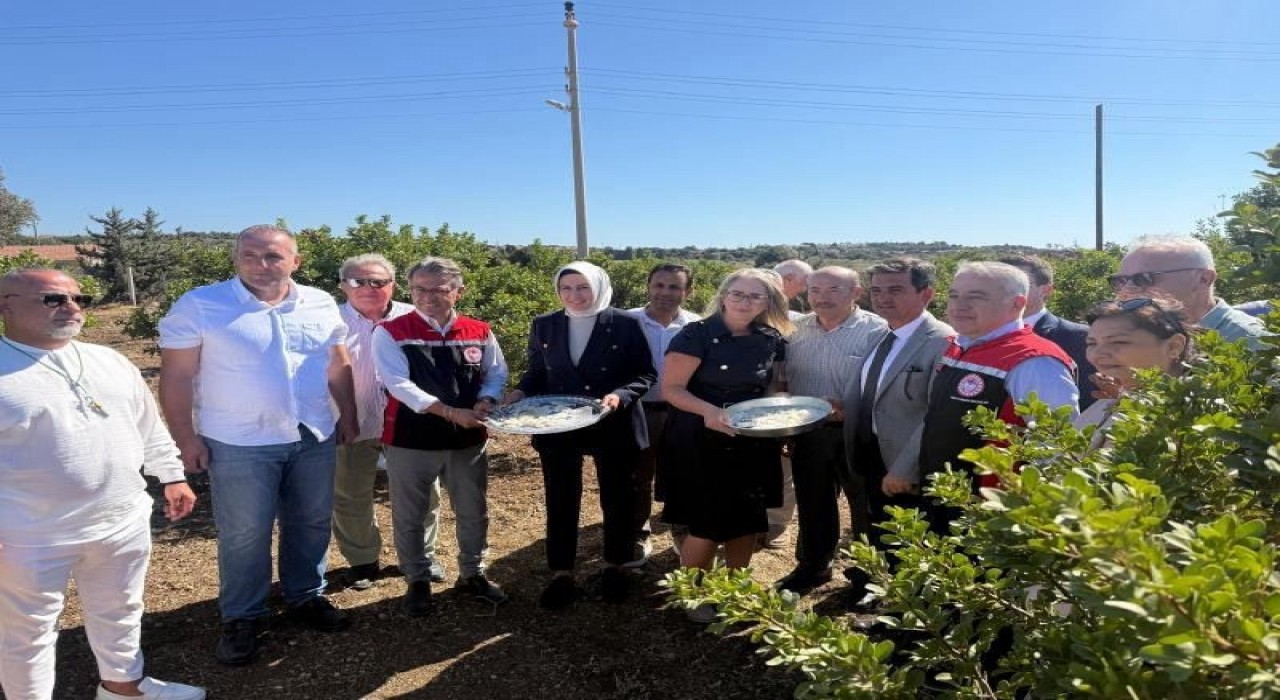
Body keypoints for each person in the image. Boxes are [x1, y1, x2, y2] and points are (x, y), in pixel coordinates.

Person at [158, 225, 358, 667]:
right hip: (240, 438)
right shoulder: (202, 304)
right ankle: (243, 616)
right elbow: (176, 374)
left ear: (295, 262)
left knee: (310, 520)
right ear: (236, 258)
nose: (260, 264)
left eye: (272, 256)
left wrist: (350, 415)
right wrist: (185, 438)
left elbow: (337, 362)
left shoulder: (320, 302)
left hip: (312, 432)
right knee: (245, 532)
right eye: (249, 255)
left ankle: (305, 595)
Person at [0, 268, 205, 700]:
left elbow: (146, 425)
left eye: (79, 299)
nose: (71, 308)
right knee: (28, 632)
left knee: (121, 610)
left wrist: (170, 475)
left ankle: (122, 688)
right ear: (6, 304)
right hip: (28, 533)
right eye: (53, 299)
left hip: (121, 518)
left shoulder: (108, 360)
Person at [505, 261, 656, 610]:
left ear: (599, 286)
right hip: (559, 426)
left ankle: (615, 567)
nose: (575, 295)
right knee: (560, 499)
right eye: (567, 288)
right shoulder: (545, 324)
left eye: (583, 287)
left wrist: (621, 395)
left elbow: (645, 373)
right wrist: (519, 393)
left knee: (617, 498)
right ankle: (561, 573)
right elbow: (537, 372)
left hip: (612, 422)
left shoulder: (624, 323)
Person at [373, 257, 510, 616]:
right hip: (410, 438)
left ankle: (472, 573)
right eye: (419, 289)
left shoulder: (478, 330)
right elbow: (398, 384)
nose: (427, 296)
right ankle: (417, 579)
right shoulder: (391, 332)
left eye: (438, 289)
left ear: (458, 291)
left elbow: (495, 371)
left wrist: (487, 398)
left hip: (468, 439)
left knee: (472, 510)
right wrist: (450, 412)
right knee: (410, 513)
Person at [660, 268, 793, 622]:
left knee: (747, 520)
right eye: (738, 294)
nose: (744, 302)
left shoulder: (771, 338)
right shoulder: (696, 335)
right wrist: (709, 411)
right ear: (723, 296)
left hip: (752, 442)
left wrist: (781, 421)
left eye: (755, 296)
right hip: (701, 438)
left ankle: (736, 590)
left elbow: (775, 388)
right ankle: (690, 593)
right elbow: (672, 389)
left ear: (768, 302)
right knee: (707, 522)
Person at [920, 262, 1078, 533]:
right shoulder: (958, 347)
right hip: (948, 499)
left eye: (976, 296)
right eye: (955, 295)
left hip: (993, 514)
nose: (959, 305)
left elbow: (1057, 450)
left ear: (1017, 304)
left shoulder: (1035, 362)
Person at [333, 253, 441, 591]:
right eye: (358, 281)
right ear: (342, 286)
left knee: (423, 494)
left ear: (393, 286)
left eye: (378, 281)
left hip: (410, 426)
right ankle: (363, 560)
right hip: (352, 423)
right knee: (349, 494)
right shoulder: (328, 322)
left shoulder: (417, 318)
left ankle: (421, 556)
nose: (368, 287)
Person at [776, 266, 886, 593]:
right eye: (814, 290)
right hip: (808, 432)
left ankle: (870, 577)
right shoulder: (794, 329)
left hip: (858, 432)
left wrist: (850, 407)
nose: (821, 298)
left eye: (833, 290)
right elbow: (782, 377)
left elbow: (886, 385)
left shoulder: (877, 331)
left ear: (856, 293)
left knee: (865, 505)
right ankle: (813, 565)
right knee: (813, 501)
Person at [842, 258, 952, 561]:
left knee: (909, 537)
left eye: (895, 290)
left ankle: (903, 602)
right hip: (870, 451)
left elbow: (936, 415)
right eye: (877, 291)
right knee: (877, 526)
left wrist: (905, 467)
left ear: (926, 294)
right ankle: (872, 585)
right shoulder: (881, 334)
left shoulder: (943, 341)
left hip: (905, 463)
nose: (883, 298)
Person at [627, 263, 701, 563]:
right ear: (648, 286)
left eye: (674, 287)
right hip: (637, 411)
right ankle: (637, 534)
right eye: (659, 285)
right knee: (638, 476)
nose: (665, 293)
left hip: (681, 412)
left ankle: (682, 532)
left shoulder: (697, 325)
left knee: (683, 475)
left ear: (688, 291)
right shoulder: (625, 321)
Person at [1112, 235, 1267, 348]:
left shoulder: (1253, 341)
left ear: (1204, 279)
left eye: (1144, 278)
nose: (1127, 289)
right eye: (1122, 280)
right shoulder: (1139, 335)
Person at [1076, 297, 1192, 435]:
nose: (1098, 354)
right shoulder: (1109, 404)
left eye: (1118, 342)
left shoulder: (1195, 416)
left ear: (1174, 346)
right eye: (1092, 343)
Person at [999, 255, 1099, 409]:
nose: (1005, 291)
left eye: (1017, 284)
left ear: (1046, 290)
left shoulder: (1078, 337)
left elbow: (1086, 401)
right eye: (998, 284)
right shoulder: (973, 337)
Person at [766, 259, 810, 548]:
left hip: (785, 400)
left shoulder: (798, 320)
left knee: (784, 466)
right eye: (806, 284)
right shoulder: (741, 317)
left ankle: (777, 523)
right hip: (747, 401)